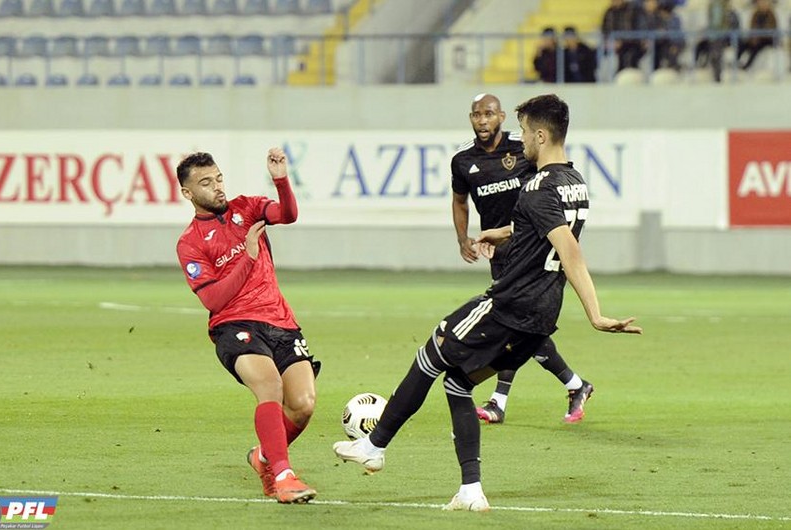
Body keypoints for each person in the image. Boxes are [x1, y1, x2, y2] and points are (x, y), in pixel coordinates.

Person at [334, 94, 642, 511]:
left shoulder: (537, 188)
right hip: (542, 315)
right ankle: (470, 490)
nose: (522, 144)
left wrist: (596, 315)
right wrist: (503, 232)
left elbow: (569, 250)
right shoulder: (575, 182)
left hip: (510, 303)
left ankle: (375, 445)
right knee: (458, 383)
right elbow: (544, 229)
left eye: (527, 134)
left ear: (540, 134)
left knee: (432, 351)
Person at [175, 148, 318, 504]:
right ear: (188, 193)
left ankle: (264, 457)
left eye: (219, 178)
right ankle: (283, 474)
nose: (217, 187)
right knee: (270, 386)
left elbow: (287, 214)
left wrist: (281, 179)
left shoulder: (248, 208)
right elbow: (213, 300)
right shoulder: (190, 243)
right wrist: (248, 257)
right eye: (206, 183)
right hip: (234, 325)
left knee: (303, 404)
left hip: (280, 321)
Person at [451, 93, 595, 425]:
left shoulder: (524, 151)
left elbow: (547, 191)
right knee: (522, 327)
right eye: (476, 115)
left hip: (528, 248)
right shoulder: (463, 161)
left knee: (517, 325)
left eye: (488, 114)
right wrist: (465, 237)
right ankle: (574, 385)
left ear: (500, 116)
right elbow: (459, 201)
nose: (482, 120)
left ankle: (502, 400)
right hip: (500, 249)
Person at [601, 0, 643, 71]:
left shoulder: (632, 10)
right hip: (615, 43)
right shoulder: (609, 12)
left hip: (631, 43)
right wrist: (610, 41)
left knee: (629, 55)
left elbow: (635, 30)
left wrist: (621, 41)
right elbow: (605, 29)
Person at [737, 0, 777, 70]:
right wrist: (753, 39)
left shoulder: (771, 15)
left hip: (767, 40)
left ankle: (747, 66)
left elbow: (771, 29)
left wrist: (760, 35)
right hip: (756, 38)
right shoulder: (756, 14)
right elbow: (752, 27)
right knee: (743, 45)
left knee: (756, 48)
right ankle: (735, 62)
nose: (762, 4)